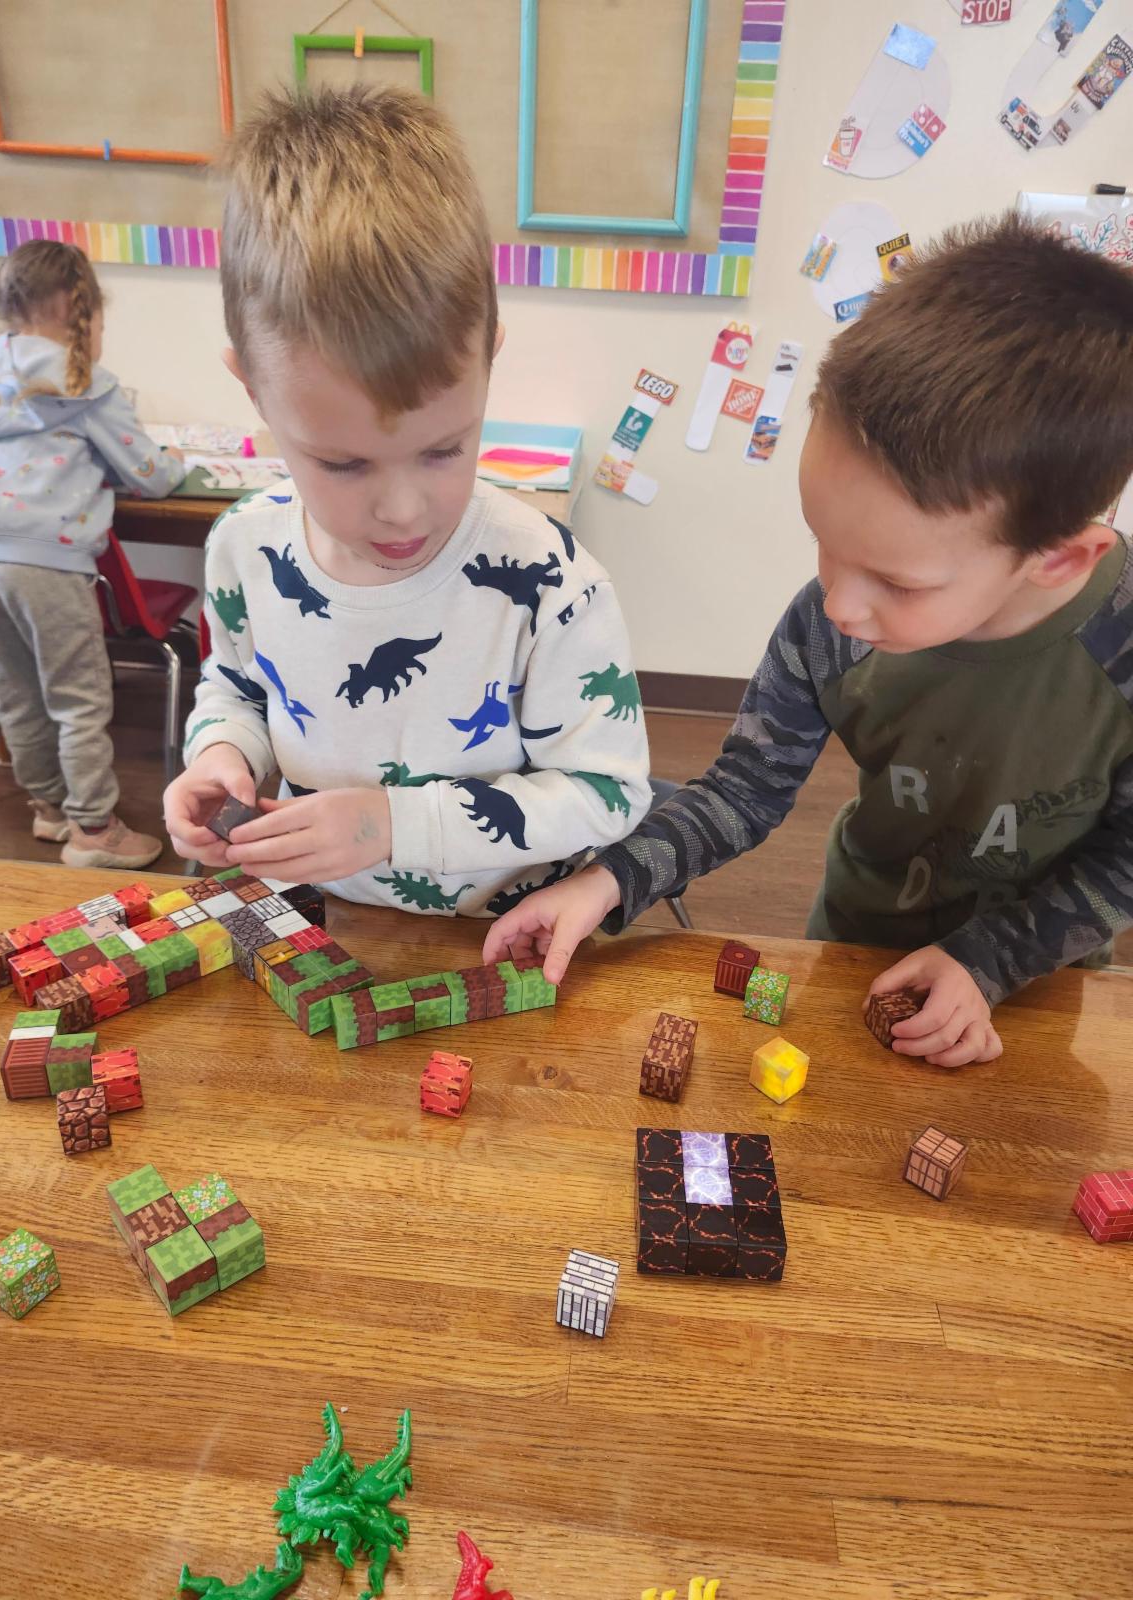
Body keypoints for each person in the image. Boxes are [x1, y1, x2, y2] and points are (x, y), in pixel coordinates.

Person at [484, 213, 1133, 1068]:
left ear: (1057, 561)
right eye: (823, 540)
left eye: (899, 583)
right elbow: (745, 789)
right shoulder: (826, 627)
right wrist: (607, 879)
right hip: (857, 945)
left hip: (1044, 981)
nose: (839, 603)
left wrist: (991, 961)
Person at [163, 85, 649, 916]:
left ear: (488, 361)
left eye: (442, 449)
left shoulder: (551, 583)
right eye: (343, 463)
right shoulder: (244, 546)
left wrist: (395, 824)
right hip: (316, 919)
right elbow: (238, 688)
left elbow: (609, 792)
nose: (402, 510)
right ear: (252, 389)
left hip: (494, 936)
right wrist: (221, 755)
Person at [0, 239, 186, 868]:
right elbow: (151, 476)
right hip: (45, 563)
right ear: (83, 313)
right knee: (78, 697)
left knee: (17, 691)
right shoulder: (91, 384)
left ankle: (51, 810)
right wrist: (173, 461)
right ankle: (94, 831)